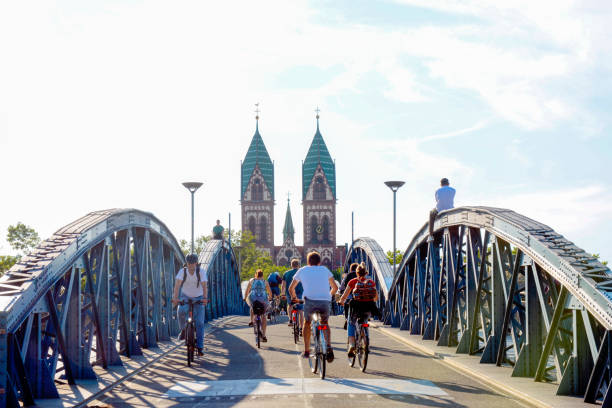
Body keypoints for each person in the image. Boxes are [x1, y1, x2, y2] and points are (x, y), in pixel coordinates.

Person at [289, 251, 338, 362]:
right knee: (324, 323)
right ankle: (329, 346)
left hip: (309, 301)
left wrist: (295, 298)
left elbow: (291, 288)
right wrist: (328, 296)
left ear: (308, 261)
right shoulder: (325, 270)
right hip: (325, 301)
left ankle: (306, 351)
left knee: (307, 323)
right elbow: (335, 288)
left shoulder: (302, 270)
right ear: (319, 262)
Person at [338, 263, 379, 358]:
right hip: (368, 308)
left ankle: (352, 344)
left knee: (351, 323)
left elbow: (344, 296)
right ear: (366, 273)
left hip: (356, 307)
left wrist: (341, 301)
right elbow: (376, 298)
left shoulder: (353, 281)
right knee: (364, 321)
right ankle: (366, 343)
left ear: (357, 273)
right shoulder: (371, 282)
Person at [172, 254, 209, 356]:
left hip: (199, 297)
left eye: (193, 263)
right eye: (189, 263)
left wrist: (205, 298)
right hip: (185, 296)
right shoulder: (182, 272)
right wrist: (175, 298)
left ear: (196, 263)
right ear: (186, 263)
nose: (191, 265)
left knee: (200, 323)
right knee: (180, 311)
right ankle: (183, 330)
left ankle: (200, 347)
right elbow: (177, 286)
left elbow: (204, 286)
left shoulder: (201, 272)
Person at [244, 269, 273, 342]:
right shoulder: (265, 282)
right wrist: (270, 298)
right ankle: (263, 335)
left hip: (253, 298)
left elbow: (247, 290)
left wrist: (245, 298)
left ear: (255, 275)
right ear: (262, 275)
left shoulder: (252, 280)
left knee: (252, 306)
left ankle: (251, 321)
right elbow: (270, 292)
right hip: (263, 299)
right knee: (263, 316)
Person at [282, 259, 304, 330]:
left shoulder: (286, 273)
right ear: (298, 265)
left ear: (291, 265)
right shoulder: (301, 273)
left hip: (290, 293)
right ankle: (301, 328)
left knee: (290, 305)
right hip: (300, 293)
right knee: (300, 310)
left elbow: (283, 285)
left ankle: (290, 320)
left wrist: (282, 294)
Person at [338, 263, 359, 328]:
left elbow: (341, 287)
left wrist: (340, 295)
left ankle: (347, 318)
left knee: (346, 306)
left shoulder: (347, 276)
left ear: (350, 269)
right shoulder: (361, 276)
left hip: (349, 296)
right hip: (360, 297)